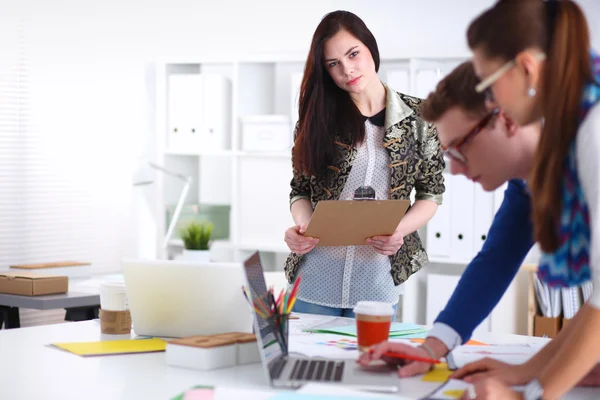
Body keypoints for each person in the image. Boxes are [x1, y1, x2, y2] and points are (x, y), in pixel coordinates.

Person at [357, 60, 544, 374]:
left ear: (506, 119)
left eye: (459, 147)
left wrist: (532, 379)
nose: (454, 169)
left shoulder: (588, 150)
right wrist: (430, 348)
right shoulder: (525, 184)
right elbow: (495, 261)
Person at [283, 10, 445, 319]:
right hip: (315, 277)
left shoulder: (419, 117)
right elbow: (300, 190)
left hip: (377, 280)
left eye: (353, 53)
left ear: (371, 47)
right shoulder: (316, 119)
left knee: (368, 364)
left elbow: (431, 193)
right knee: (309, 365)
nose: (347, 69)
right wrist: (303, 228)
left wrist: (399, 230)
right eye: (334, 64)